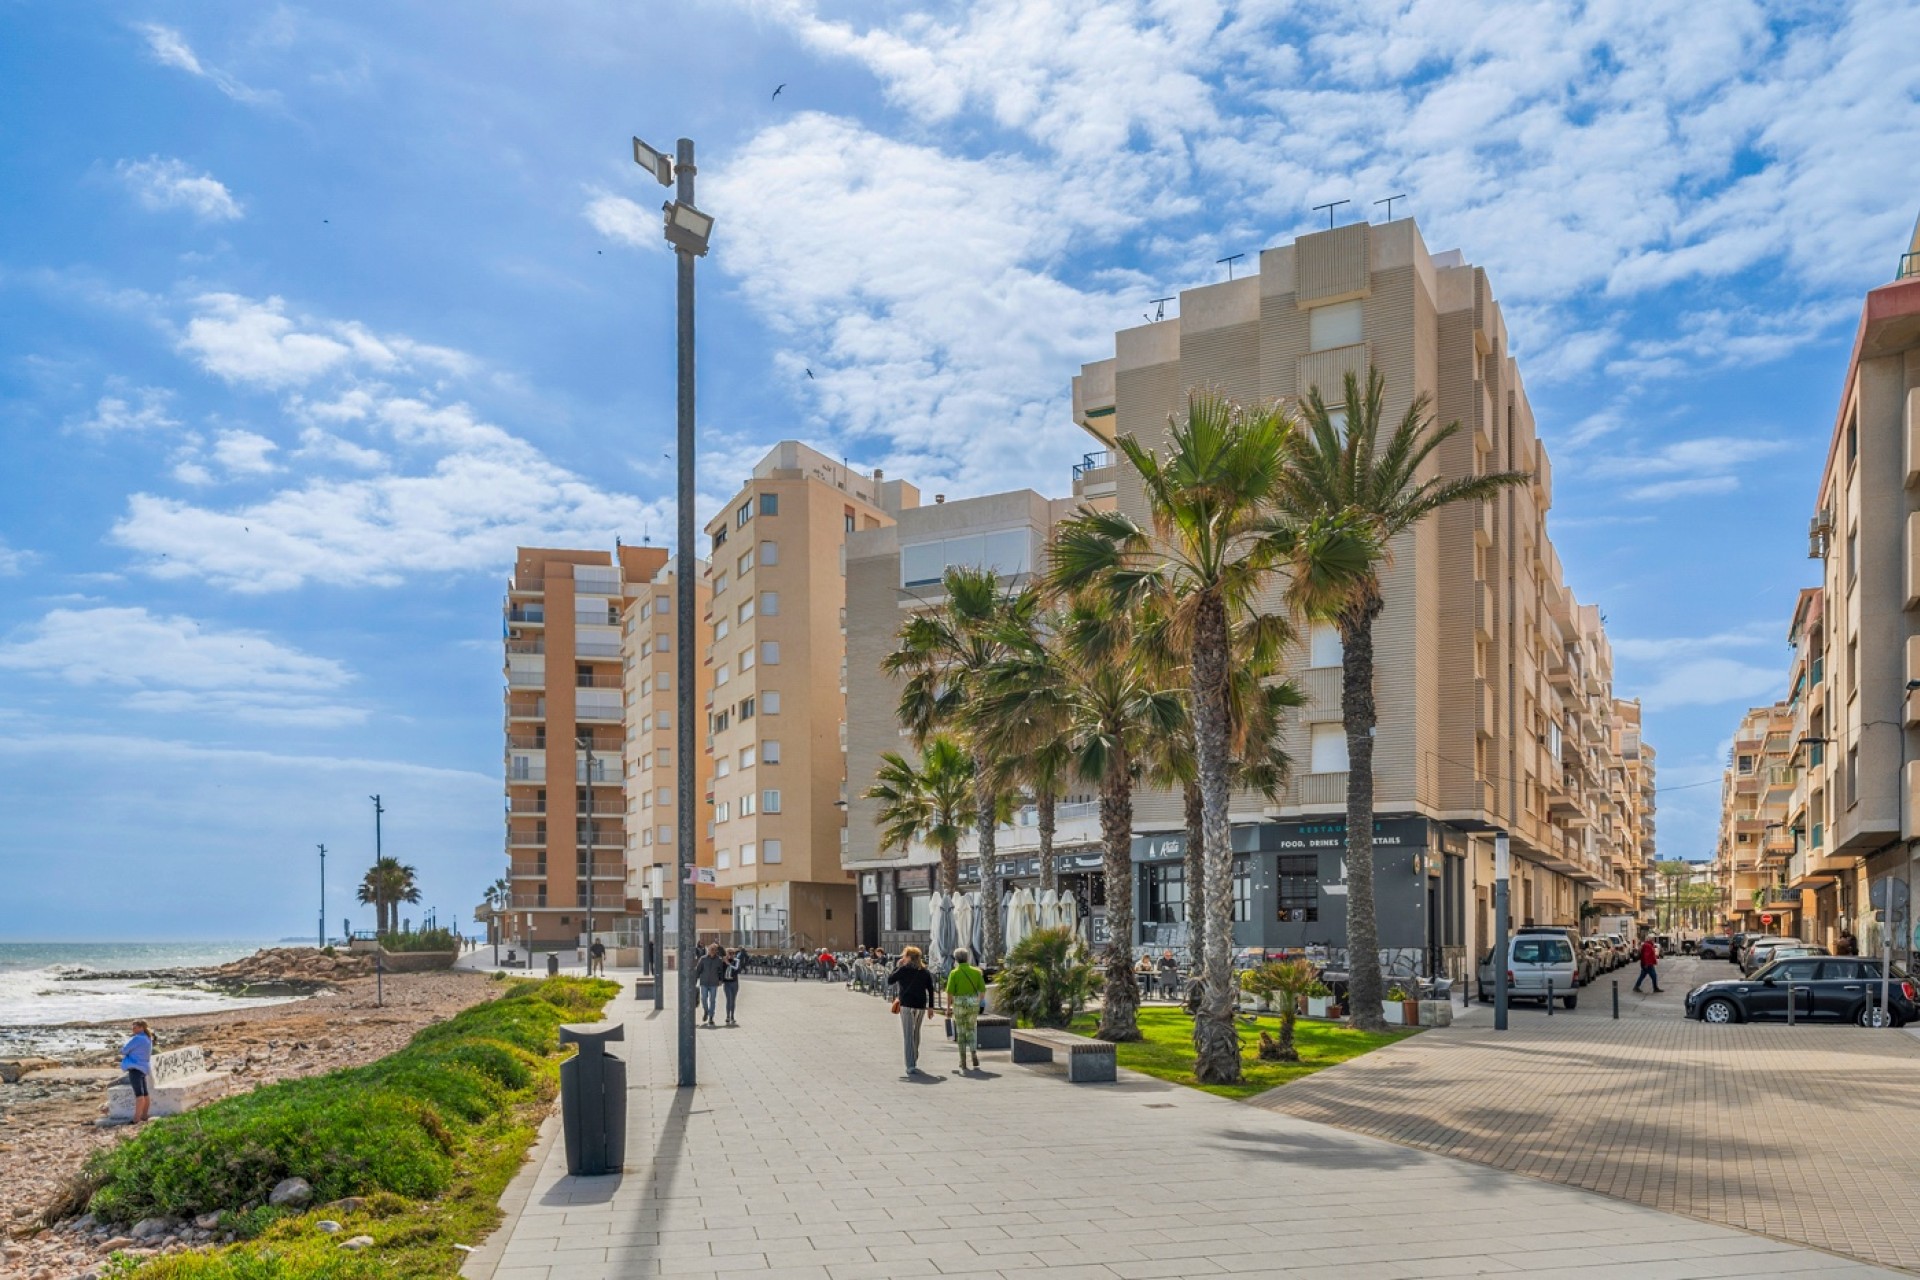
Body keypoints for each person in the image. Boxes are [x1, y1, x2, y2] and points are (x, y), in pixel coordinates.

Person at [887, 945, 937, 1077]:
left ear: (909, 957)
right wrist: (931, 1007)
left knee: (908, 1035)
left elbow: (890, 980)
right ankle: (913, 1058)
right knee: (916, 1033)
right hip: (920, 1006)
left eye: (904, 955)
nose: (903, 958)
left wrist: (898, 966)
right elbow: (930, 990)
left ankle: (910, 1064)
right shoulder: (924, 971)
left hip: (907, 1006)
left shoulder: (903, 970)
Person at [945, 947, 988, 1072]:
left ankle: (963, 1060)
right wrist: (978, 1002)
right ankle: (973, 1052)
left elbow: (949, 993)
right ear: (967, 958)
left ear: (956, 960)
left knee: (961, 1031)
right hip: (972, 1003)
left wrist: (948, 1008)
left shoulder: (954, 973)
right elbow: (983, 990)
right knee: (971, 1029)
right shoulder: (976, 972)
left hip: (959, 1003)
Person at [120, 1020, 155, 1125]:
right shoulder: (148, 1038)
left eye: (135, 1027)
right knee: (145, 1093)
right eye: (132, 1028)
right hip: (143, 1068)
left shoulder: (137, 1038)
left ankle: (136, 1119)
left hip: (135, 1068)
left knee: (139, 1094)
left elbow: (124, 1050)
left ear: (141, 1028)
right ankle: (144, 1115)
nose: (133, 1029)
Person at [695, 943, 727, 1026]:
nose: (712, 952)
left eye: (714, 950)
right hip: (704, 982)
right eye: (710, 950)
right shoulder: (703, 959)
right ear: (708, 950)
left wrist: (721, 980)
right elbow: (698, 970)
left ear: (716, 951)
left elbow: (721, 971)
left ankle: (711, 1017)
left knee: (712, 1000)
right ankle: (706, 1011)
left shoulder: (719, 960)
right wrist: (695, 980)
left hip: (714, 983)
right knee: (703, 999)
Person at [721, 947, 742, 1026]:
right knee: (728, 999)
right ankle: (727, 1016)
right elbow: (721, 971)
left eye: (733, 953)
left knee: (733, 1000)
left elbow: (737, 969)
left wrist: (729, 964)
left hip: (734, 983)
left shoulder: (737, 961)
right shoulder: (723, 961)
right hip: (727, 983)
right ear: (726, 954)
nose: (731, 955)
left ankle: (732, 1016)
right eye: (729, 953)